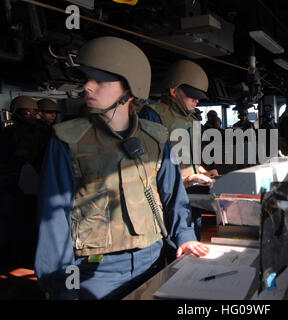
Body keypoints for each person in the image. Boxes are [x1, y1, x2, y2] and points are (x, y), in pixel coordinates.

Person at [34, 37, 209, 300]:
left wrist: (184, 235)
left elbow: (173, 195)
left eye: (101, 80)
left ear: (130, 89)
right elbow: (54, 222)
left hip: (153, 260)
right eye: (87, 78)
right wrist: (60, 286)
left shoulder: (156, 138)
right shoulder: (67, 141)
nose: (88, 87)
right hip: (96, 271)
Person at [139, 59, 218, 242]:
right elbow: (147, 169)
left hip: (191, 199)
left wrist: (201, 170)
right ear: (174, 91)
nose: (196, 100)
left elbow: (189, 158)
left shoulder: (191, 119)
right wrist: (184, 180)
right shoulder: (153, 115)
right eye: (191, 95)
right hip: (169, 202)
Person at [0, 96, 48, 268]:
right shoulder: (10, 134)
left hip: (33, 184)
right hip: (16, 185)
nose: (31, 116)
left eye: (34, 113)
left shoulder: (43, 132)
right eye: (27, 112)